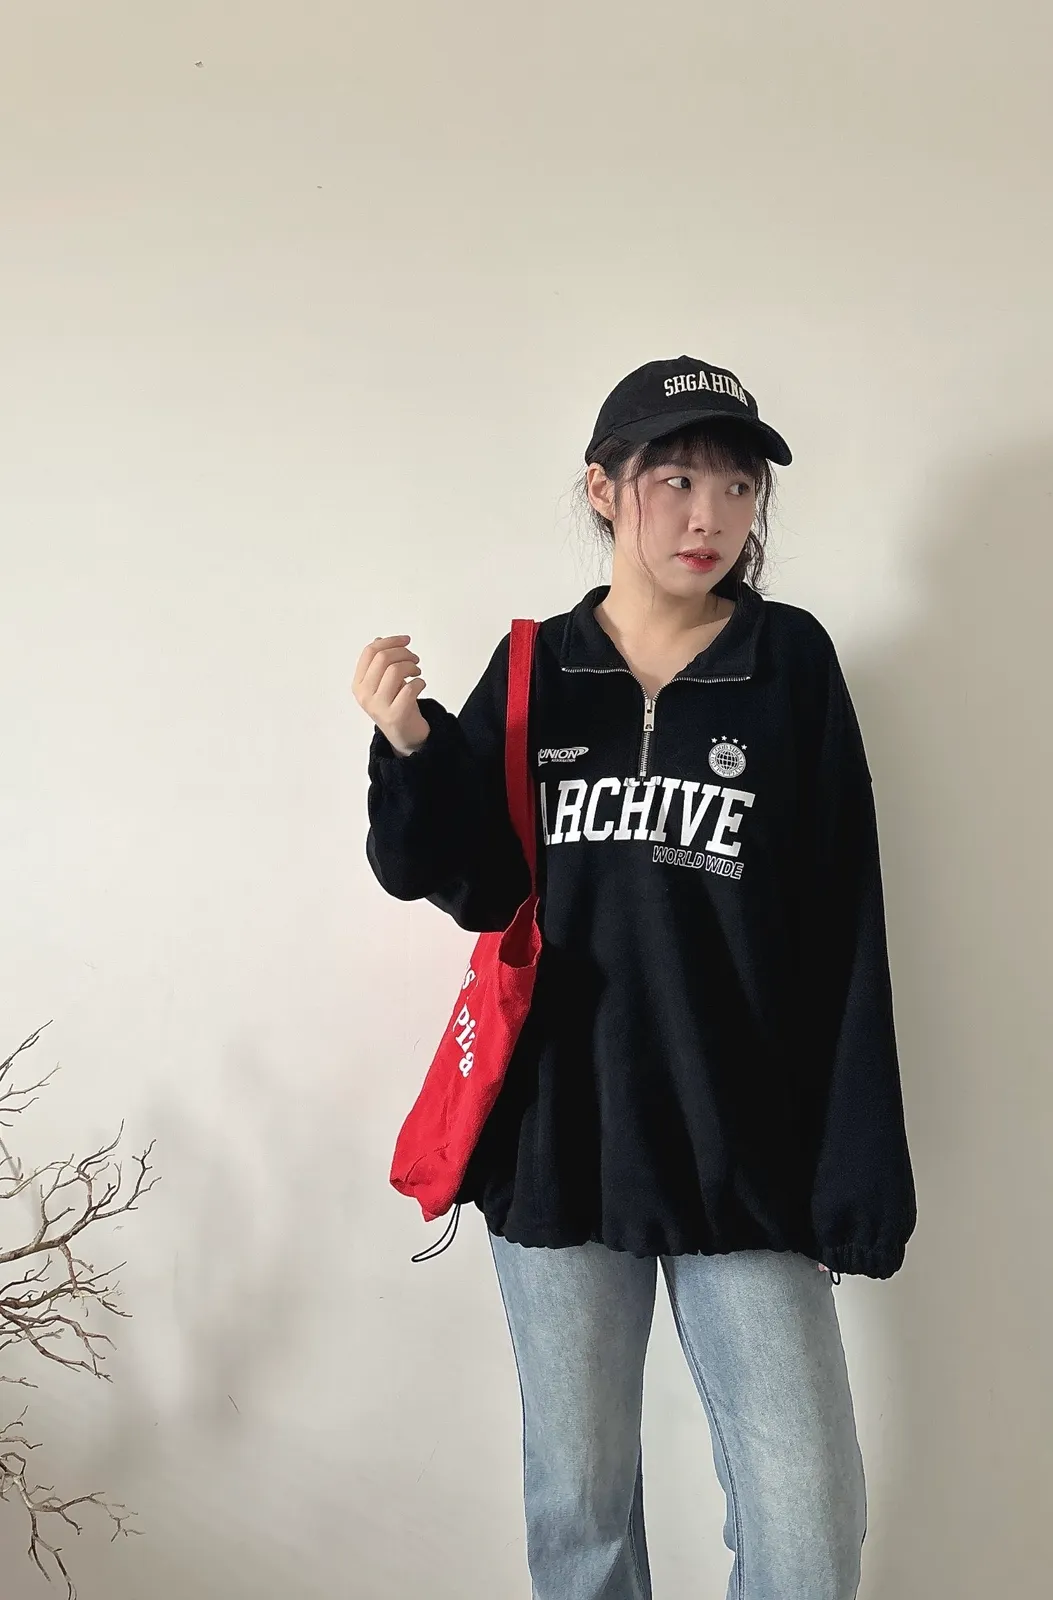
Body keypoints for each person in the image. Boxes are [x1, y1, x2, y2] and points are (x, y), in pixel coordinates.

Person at [351, 354, 917, 1600]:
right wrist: (411, 746)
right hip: (562, 1140)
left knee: (808, 1522)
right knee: (581, 1512)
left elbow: (844, 922)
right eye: (676, 480)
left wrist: (855, 1166)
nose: (711, 515)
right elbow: (472, 885)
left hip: (744, 1152)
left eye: (737, 485)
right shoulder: (538, 667)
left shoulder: (791, 666)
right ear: (604, 489)